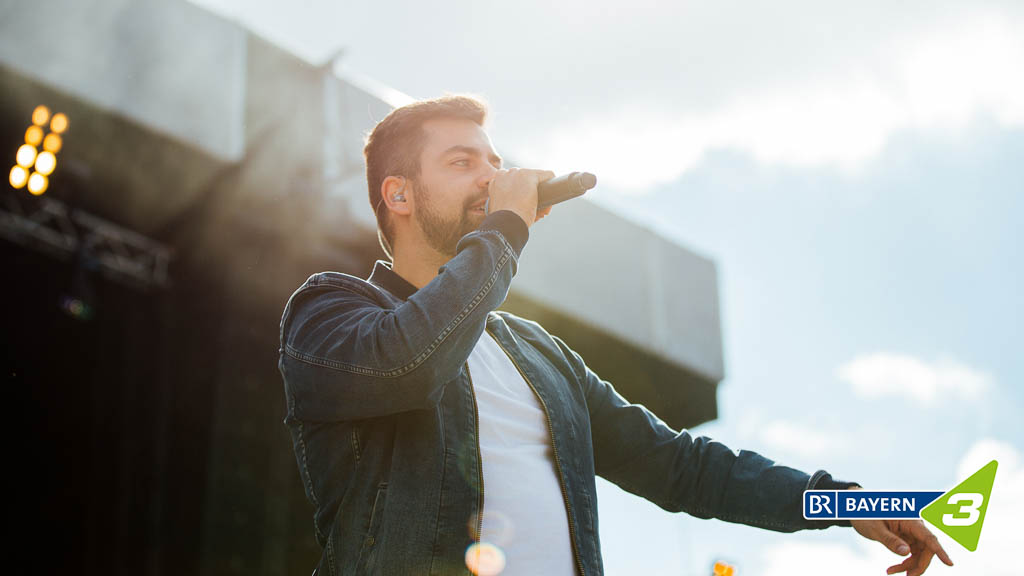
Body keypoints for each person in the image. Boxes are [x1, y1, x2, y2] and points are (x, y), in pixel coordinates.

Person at [277, 95, 953, 576]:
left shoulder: (539, 356)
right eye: (462, 163)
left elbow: (683, 467)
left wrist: (846, 501)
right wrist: (504, 232)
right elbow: (408, 364)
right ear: (399, 196)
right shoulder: (331, 312)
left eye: (495, 160)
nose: (492, 178)